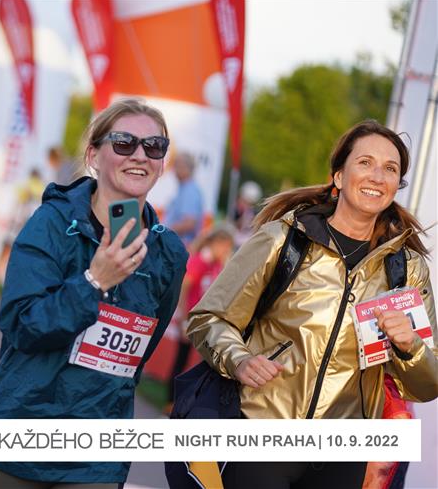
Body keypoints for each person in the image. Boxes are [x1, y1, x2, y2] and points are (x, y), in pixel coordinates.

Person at [186, 119, 437, 488]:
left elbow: (427, 385)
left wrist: (409, 345)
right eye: (365, 162)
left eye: (390, 168)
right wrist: (238, 359)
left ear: (397, 185)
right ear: (339, 176)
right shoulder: (283, 240)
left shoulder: (406, 268)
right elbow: (208, 318)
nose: (377, 176)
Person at [0, 98, 188, 487]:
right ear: (93, 155)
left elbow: (141, 353)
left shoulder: (168, 252)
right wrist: (94, 282)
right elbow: (22, 326)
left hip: (97, 451)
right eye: (124, 142)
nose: (140, 155)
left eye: (154, 146)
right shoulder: (51, 223)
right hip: (21, 432)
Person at [165, 224, 235, 411]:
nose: (227, 251)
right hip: (190, 319)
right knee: (181, 361)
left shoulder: (216, 263)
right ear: (217, 243)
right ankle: (170, 404)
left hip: (203, 322)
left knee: (198, 363)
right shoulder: (201, 260)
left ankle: (188, 404)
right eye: (226, 247)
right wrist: (183, 317)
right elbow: (185, 287)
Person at [163, 151, 204, 245]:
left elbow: (189, 223)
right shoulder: (185, 188)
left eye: (177, 165)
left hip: (181, 246)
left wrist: (164, 232)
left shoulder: (190, 191)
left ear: (186, 168)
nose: (174, 169)